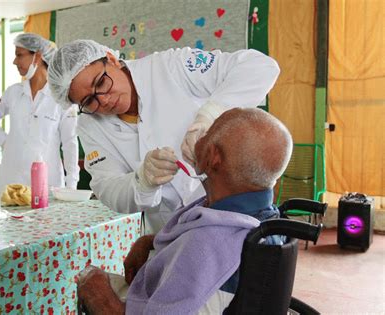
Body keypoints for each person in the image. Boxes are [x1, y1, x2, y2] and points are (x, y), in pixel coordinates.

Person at [76, 107, 293, 314]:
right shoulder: (262, 218)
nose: (200, 135)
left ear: (213, 157)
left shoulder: (209, 244)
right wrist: (153, 241)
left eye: (208, 132)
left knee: (91, 281)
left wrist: (101, 297)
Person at [48, 40, 280, 233]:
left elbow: (260, 67)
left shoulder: (169, 67)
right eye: (89, 101)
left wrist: (210, 118)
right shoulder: (90, 124)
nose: (104, 100)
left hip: (230, 215)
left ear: (111, 59)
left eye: (101, 82)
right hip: (168, 231)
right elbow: (107, 188)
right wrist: (143, 181)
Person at [0, 33, 79, 203]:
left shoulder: (61, 99)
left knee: (44, 228)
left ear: (38, 56)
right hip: (12, 181)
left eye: (19, 55)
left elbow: (70, 143)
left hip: (47, 184)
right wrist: (5, 143)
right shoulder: (13, 92)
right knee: (9, 226)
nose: (14, 61)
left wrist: (71, 185)